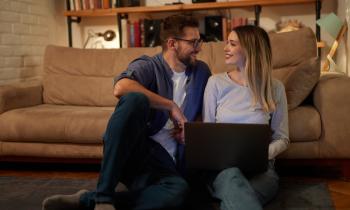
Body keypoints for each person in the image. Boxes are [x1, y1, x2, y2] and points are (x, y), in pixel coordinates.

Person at [42, 15, 211, 210]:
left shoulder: (201, 71)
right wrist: (170, 105)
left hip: (168, 163)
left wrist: (192, 128)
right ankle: (104, 198)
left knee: (178, 192)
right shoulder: (149, 65)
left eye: (200, 41)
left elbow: (205, 108)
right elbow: (121, 87)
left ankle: (88, 200)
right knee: (135, 99)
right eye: (193, 42)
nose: (199, 47)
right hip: (138, 152)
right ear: (172, 43)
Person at [202, 25, 289, 210]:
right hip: (224, 170)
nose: (225, 48)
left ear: (250, 49)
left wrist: (260, 155)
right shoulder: (215, 83)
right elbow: (207, 135)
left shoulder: (275, 88)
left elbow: (282, 138)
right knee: (234, 182)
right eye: (227, 43)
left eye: (232, 44)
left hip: (261, 170)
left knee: (237, 196)